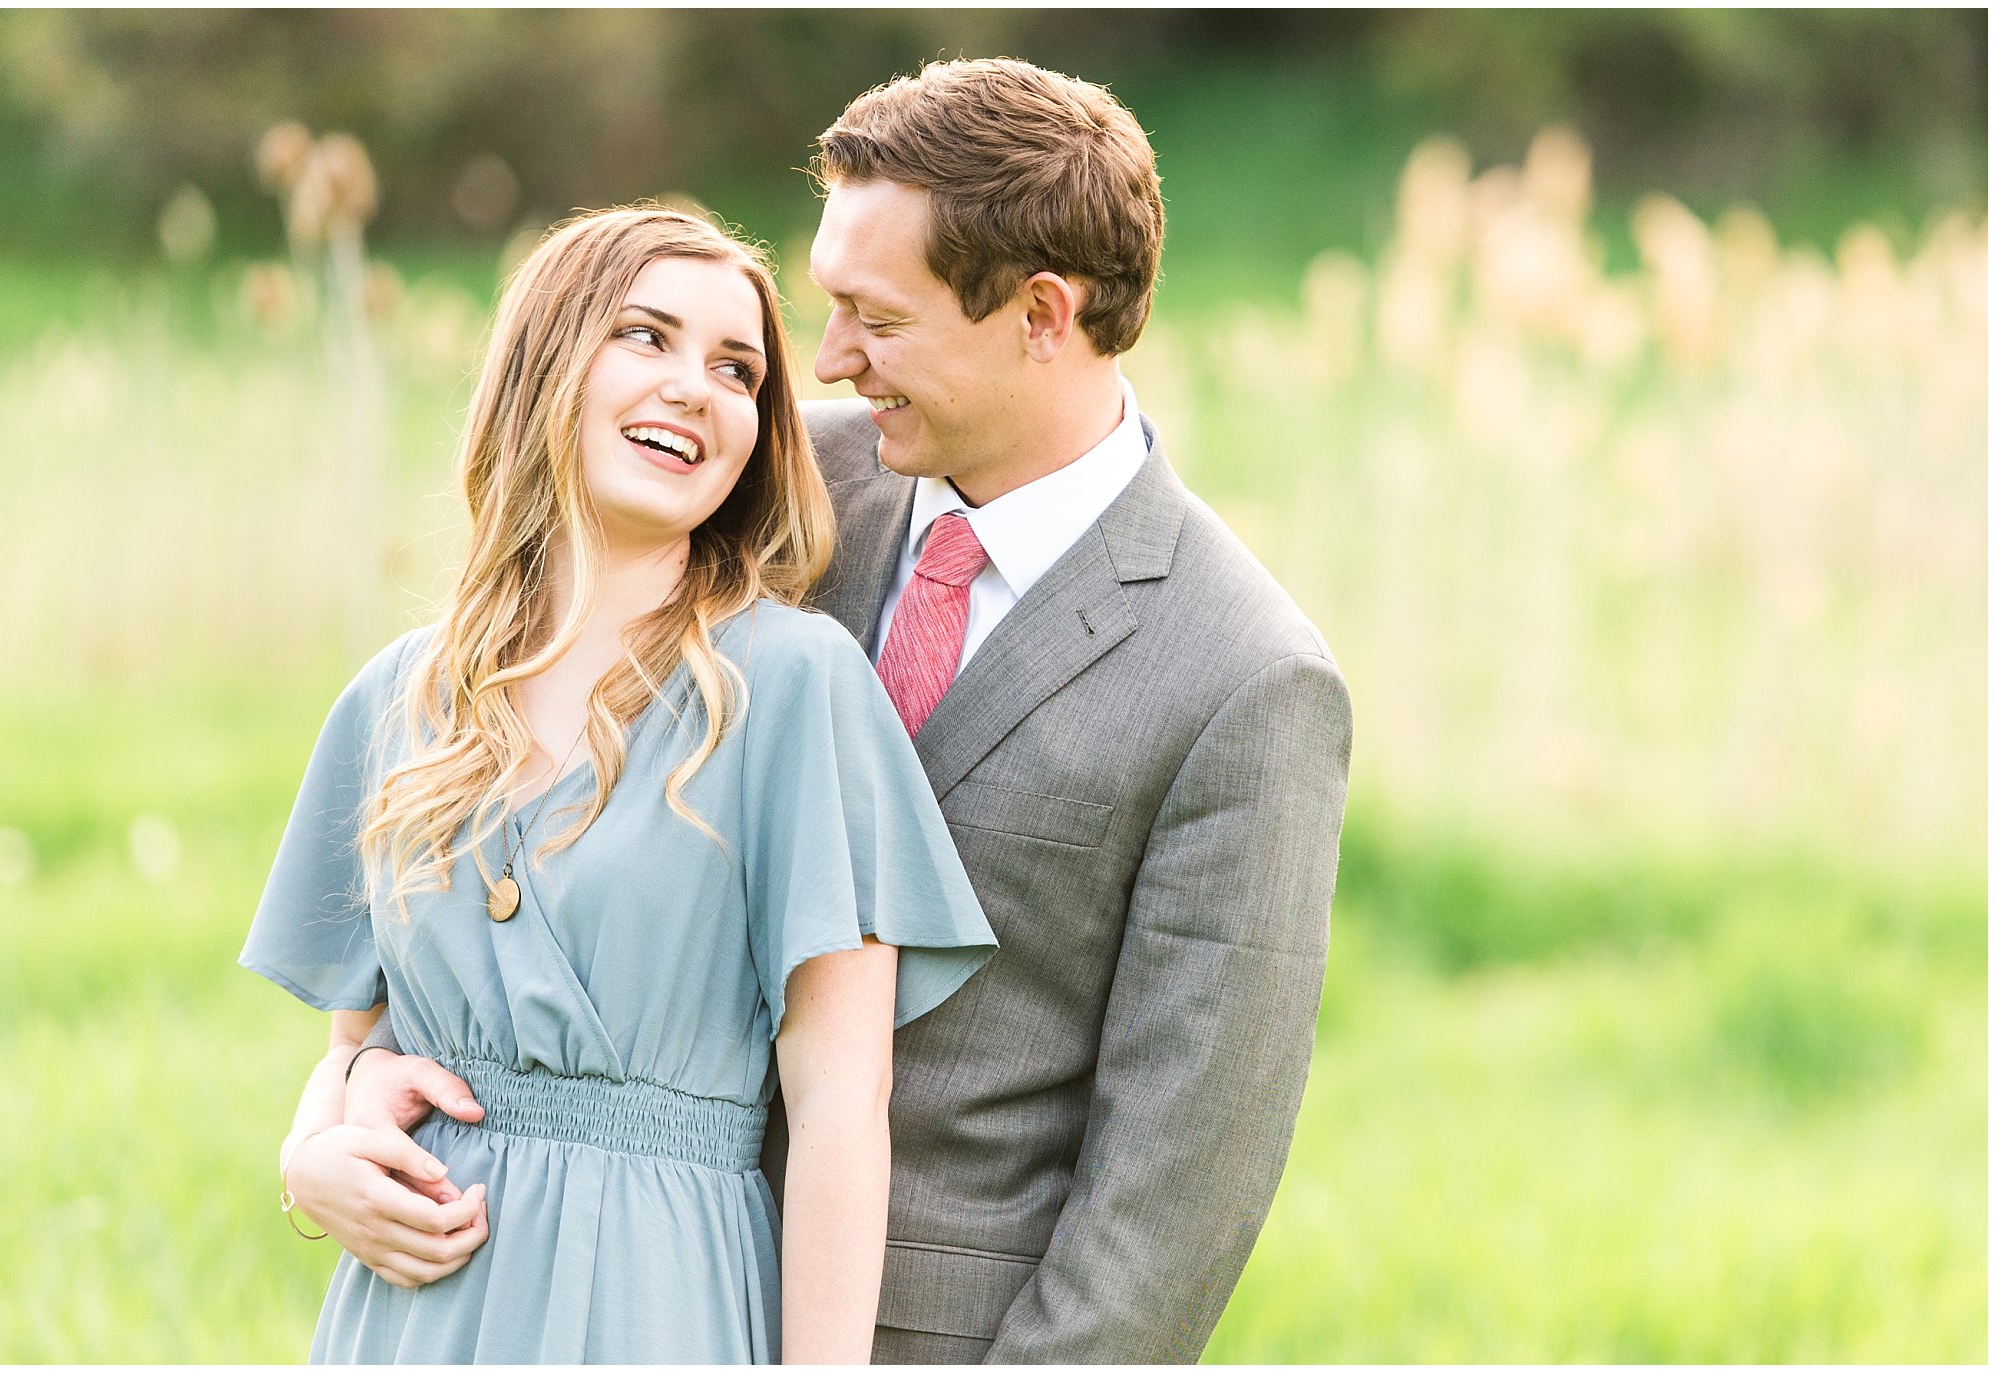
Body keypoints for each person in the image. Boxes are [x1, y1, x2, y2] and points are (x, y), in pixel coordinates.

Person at [307, 58, 1352, 1362]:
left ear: (1039, 314)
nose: (833, 362)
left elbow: (1176, 1199)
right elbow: (493, 830)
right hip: (573, 1280)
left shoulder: (1243, 678)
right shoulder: (770, 491)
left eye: (875, 318)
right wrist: (324, 1123)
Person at [239, 205, 996, 1363]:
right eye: (646, 337)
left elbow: (844, 1104)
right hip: (411, 1317)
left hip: (660, 1295)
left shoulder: (790, 686)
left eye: (736, 368)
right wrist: (310, 1155)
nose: (697, 387)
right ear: (546, 365)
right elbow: (364, 1051)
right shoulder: (402, 697)